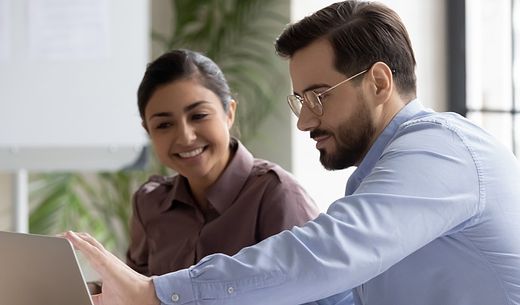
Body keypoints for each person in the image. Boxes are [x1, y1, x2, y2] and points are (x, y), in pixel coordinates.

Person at [65, 1, 520, 304]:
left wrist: (158, 294)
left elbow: (325, 253)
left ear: (379, 83)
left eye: (319, 96)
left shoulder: (442, 151)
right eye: (301, 100)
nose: (303, 121)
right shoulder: (380, 174)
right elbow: (338, 293)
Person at [86, 49, 319, 293]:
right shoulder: (150, 203)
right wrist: (84, 290)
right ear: (148, 131)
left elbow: (315, 293)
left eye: (198, 116)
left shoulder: (277, 194)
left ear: (229, 113)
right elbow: (135, 290)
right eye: (164, 125)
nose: (185, 137)